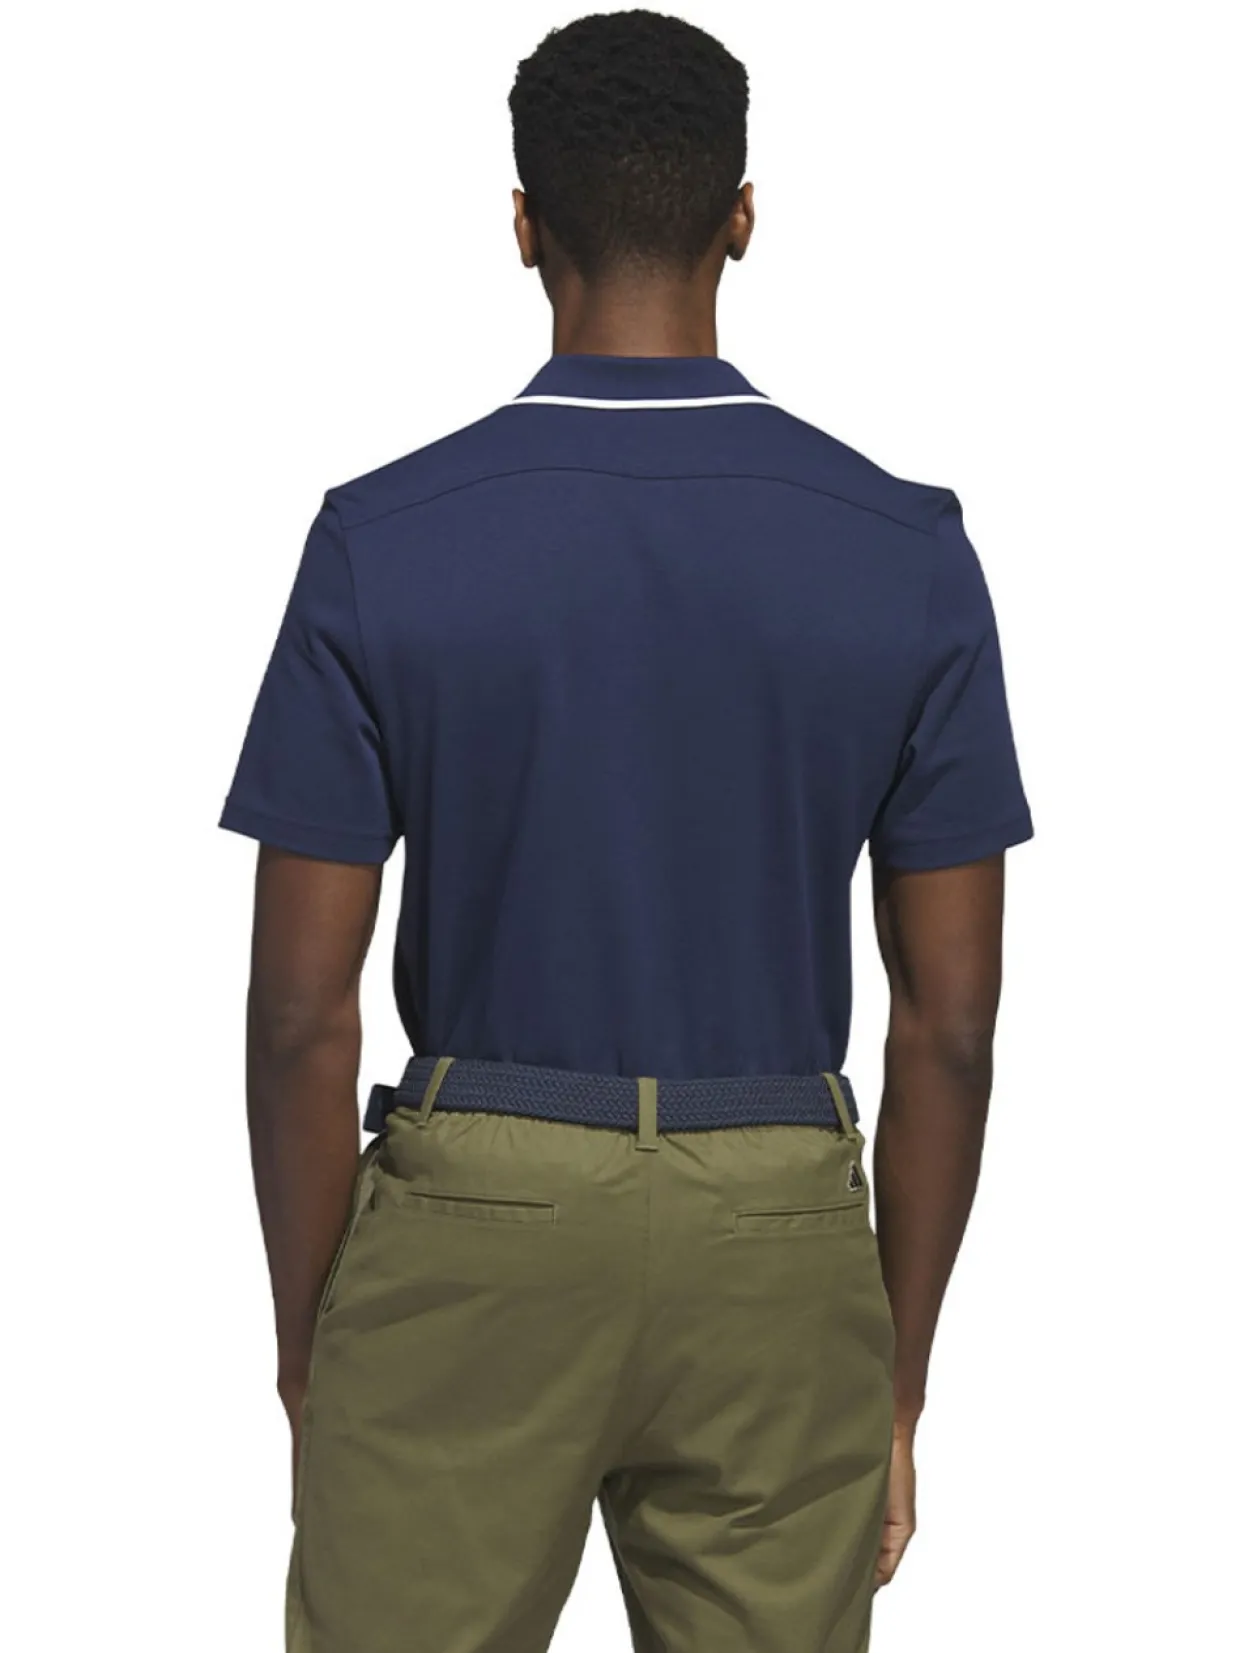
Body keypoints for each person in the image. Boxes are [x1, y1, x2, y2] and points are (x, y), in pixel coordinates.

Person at [218, 10, 1033, 1651]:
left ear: (523, 225)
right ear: (744, 216)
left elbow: (303, 1012)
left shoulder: (384, 541)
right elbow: (949, 1025)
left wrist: (318, 1345)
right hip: (777, 1226)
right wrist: (893, 1381)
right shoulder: (906, 552)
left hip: (474, 1230)